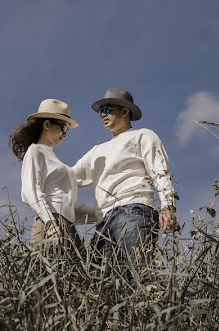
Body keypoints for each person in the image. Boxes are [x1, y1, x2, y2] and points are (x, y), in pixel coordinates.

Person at [73, 88, 178, 266]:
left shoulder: (143, 135)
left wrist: (168, 206)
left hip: (134, 212)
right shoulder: (96, 152)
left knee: (141, 271)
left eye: (107, 110)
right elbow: (67, 177)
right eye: (100, 111)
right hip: (103, 223)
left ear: (124, 111)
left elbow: (160, 170)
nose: (102, 115)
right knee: (99, 283)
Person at [10, 99, 101, 252]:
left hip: (66, 226)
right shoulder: (35, 151)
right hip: (51, 224)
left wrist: (100, 214)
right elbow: (30, 192)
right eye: (63, 127)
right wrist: (50, 223)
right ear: (46, 125)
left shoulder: (52, 157)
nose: (65, 134)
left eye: (67, 131)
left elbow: (68, 205)